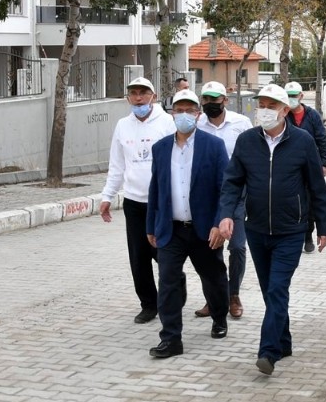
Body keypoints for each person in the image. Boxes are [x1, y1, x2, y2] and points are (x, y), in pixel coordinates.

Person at [217, 84, 326, 377]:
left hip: (291, 229)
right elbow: (232, 182)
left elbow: (317, 188)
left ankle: (268, 352)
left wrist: (323, 226)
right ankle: (284, 339)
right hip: (256, 228)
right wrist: (226, 215)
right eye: (261, 105)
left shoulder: (303, 141)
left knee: (278, 288)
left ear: (284, 110)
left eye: (270, 105)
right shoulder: (246, 141)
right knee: (271, 291)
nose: (264, 111)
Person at [143, 90, 231, 358]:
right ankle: (171, 339)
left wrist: (219, 223)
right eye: (178, 110)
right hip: (171, 230)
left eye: (189, 110)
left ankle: (219, 316)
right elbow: (155, 191)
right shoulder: (160, 148)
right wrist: (151, 226)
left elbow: (224, 189)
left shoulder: (213, 146)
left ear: (198, 114)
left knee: (213, 278)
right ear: (172, 113)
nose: (184, 115)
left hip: (204, 230)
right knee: (168, 282)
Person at [99, 76, 173, 325]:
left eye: (143, 92)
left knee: (162, 253)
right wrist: (107, 196)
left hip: (162, 202)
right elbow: (117, 165)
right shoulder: (122, 125)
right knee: (138, 256)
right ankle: (148, 304)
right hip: (134, 201)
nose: (138, 98)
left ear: (153, 95)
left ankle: (172, 293)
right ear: (128, 97)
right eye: (134, 93)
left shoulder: (166, 122)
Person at [197, 81, 252, 322]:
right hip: (207, 197)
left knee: (237, 247)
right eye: (206, 100)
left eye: (215, 99)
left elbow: (253, 155)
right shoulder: (197, 125)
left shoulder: (241, 124)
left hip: (236, 195)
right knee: (209, 248)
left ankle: (234, 294)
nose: (211, 104)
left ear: (225, 100)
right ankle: (214, 297)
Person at [283, 81, 326, 254]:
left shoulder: (312, 116)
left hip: (309, 165)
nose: (291, 100)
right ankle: (293, 233)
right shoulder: (282, 115)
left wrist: (325, 162)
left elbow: (321, 139)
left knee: (310, 201)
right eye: (288, 96)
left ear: (301, 96)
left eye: (294, 96)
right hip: (289, 166)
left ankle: (308, 235)